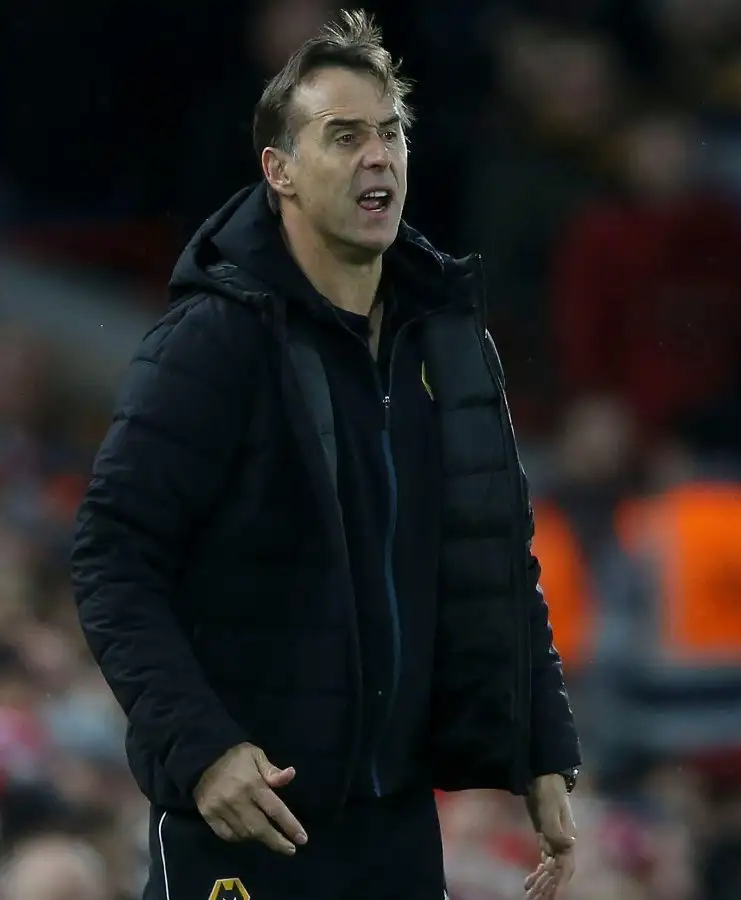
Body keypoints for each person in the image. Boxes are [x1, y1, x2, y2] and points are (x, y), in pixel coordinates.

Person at [69, 11, 581, 900]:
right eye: (344, 136)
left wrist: (539, 748)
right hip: (252, 814)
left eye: (390, 134)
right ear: (280, 171)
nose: (378, 156)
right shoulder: (213, 340)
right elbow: (111, 553)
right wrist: (201, 749)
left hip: (395, 823)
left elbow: (494, 558)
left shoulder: (451, 347)